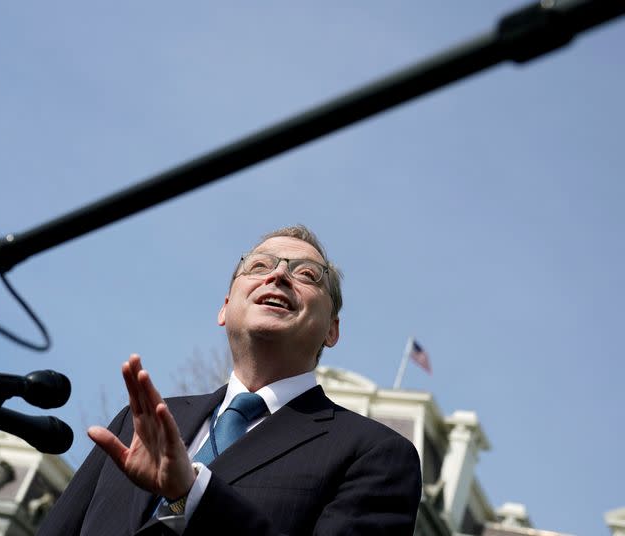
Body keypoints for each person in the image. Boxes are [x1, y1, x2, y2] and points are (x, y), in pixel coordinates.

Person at [38, 225, 422, 535]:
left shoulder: (376, 454)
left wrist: (194, 496)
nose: (278, 275)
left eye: (306, 274)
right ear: (224, 308)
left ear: (332, 332)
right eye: (259, 267)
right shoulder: (137, 424)